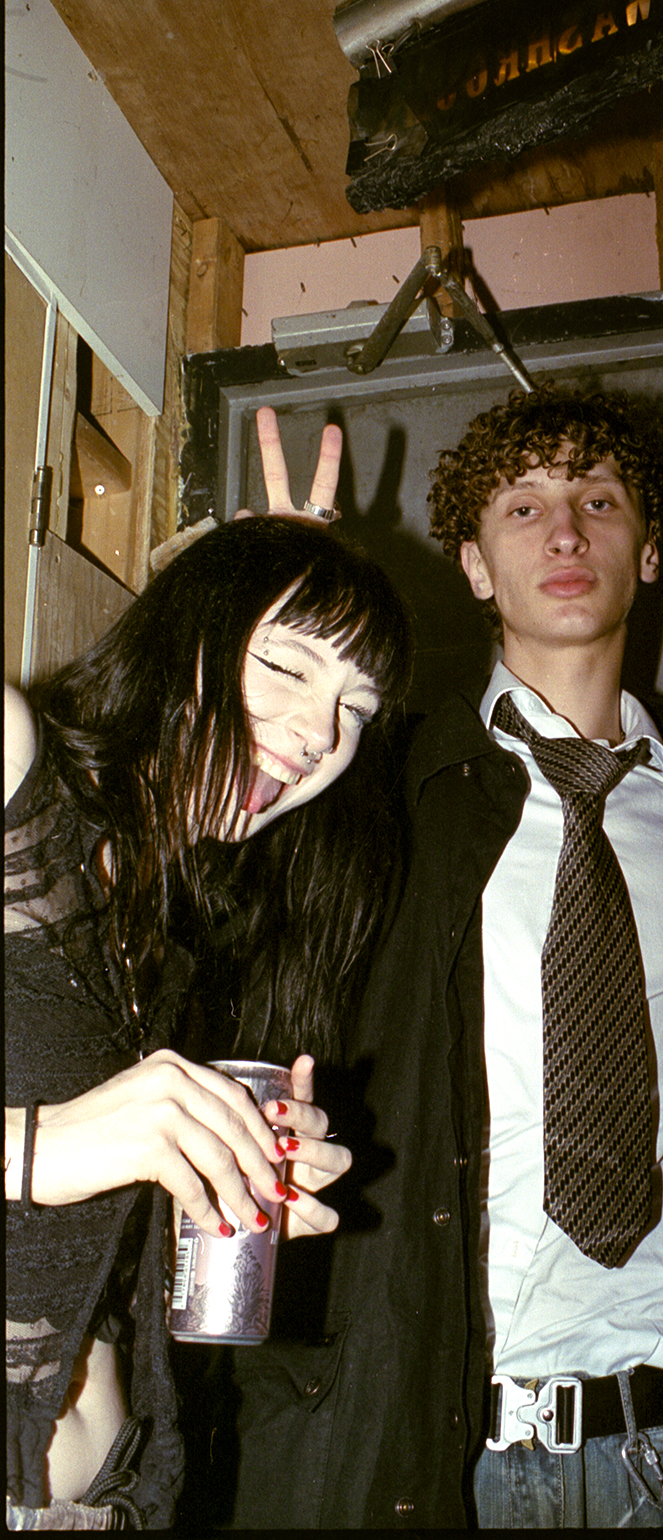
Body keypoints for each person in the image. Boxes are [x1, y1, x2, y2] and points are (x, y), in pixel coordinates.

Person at [221, 382, 663, 1530]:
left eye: (598, 499)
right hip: (418, 1440)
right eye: (523, 507)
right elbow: (204, 841)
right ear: (476, 567)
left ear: (653, 552)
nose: (568, 530)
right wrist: (261, 606)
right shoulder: (368, 787)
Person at [5, 478, 413, 1529]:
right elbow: (45, 1151)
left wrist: (206, 1167)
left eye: (356, 709)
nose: (321, 732)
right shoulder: (12, 766)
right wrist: (44, 1146)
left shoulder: (171, 937)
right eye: (285, 663)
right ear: (187, 624)